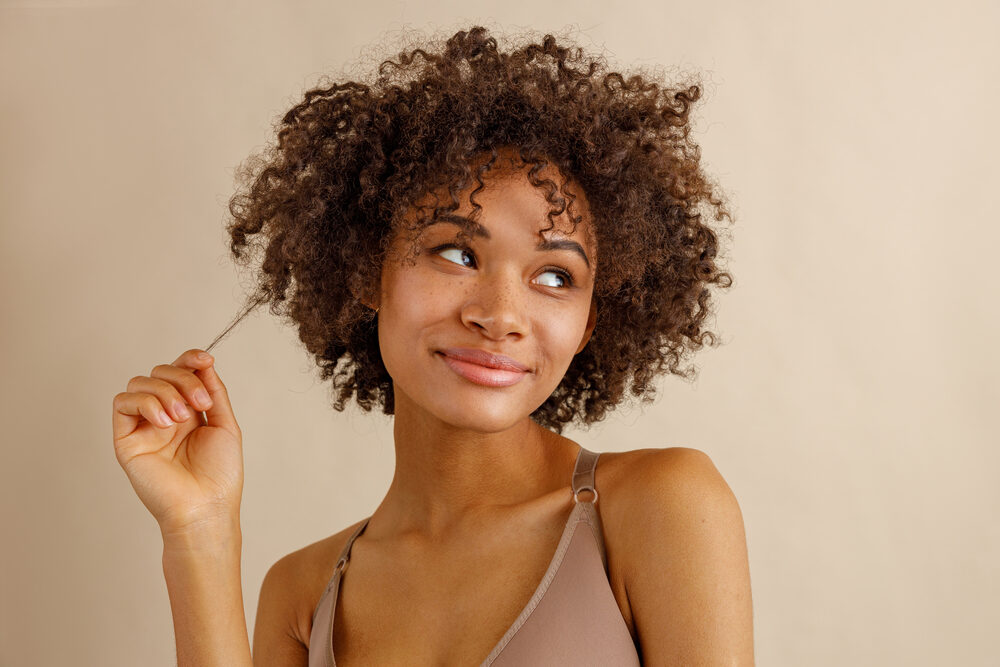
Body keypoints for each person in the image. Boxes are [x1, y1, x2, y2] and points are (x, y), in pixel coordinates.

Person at [111, 25, 753, 666]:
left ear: (589, 322)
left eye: (556, 276)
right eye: (456, 252)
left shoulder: (660, 505)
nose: (501, 316)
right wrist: (199, 530)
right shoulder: (305, 592)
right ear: (367, 271)